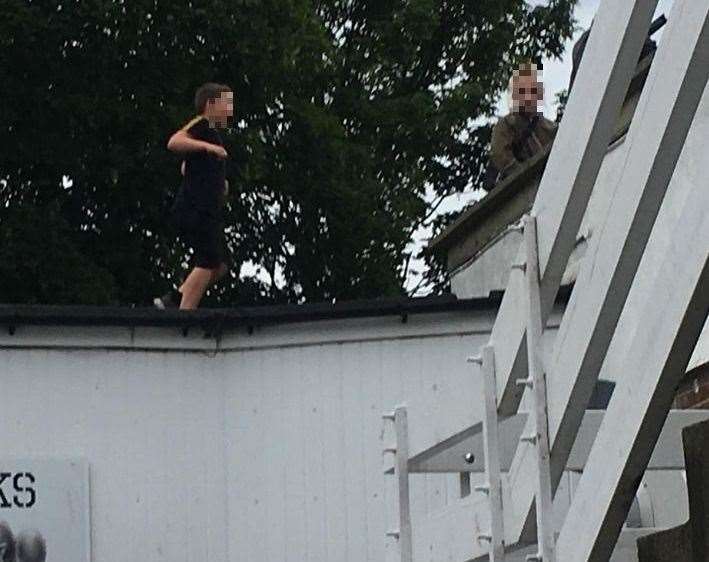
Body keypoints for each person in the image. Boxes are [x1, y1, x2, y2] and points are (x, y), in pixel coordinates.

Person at [154, 82, 234, 310]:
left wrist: (219, 182)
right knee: (209, 262)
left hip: (206, 210)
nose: (230, 111)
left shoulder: (212, 134)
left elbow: (186, 168)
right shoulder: (202, 125)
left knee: (221, 264)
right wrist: (209, 149)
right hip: (195, 209)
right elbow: (175, 141)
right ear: (211, 105)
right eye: (226, 104)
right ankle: (184, 314)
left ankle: (175, 299)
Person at [486, 62, 558, 188]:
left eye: (533, 91)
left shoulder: (550, 128)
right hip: (520, 189)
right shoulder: (506, 125)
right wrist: (524, 174)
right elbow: (499, 155)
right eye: (523, 91)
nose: (529, 96)